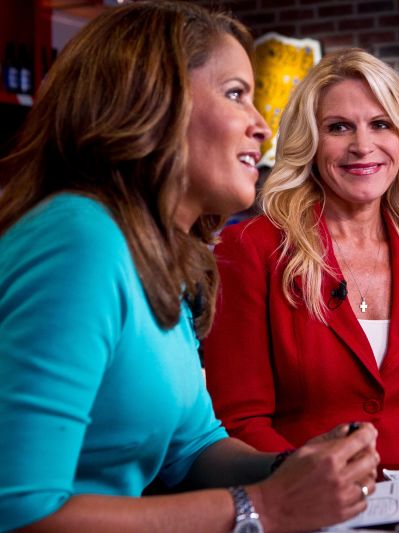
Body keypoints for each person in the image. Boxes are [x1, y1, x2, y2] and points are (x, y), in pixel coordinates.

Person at [0, 3, 379, 532]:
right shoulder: (80, 238)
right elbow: (21, 512)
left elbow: (192, 447)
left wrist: (293, 469)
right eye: (234, 94)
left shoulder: (156, 252)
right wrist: (267, 507)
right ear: (154, 100)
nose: (262, 127)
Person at [203, 48, 399, 467]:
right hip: (298, 507)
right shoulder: (252, 249)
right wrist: (323, 492)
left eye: (380, 124)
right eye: (339, 127)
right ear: (309, 142)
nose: (363, 146)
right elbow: (239, 421)